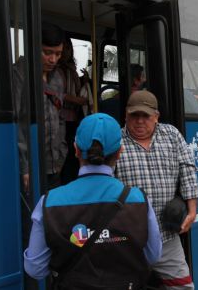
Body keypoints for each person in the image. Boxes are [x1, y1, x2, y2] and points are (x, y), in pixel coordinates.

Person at [24, 113, 162, 288]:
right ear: (120, 152)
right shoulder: (139, 200)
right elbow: (153, 256)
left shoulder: (49, 202)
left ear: (75, 149)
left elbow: (35, 269)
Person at [116, 90, 198, 289]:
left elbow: (187, 169)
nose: (139, 121)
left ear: (156, 117)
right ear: (126, 115)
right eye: (134, 115)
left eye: (145, 116)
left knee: (182, 287)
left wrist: (192, 210)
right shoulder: (115, 141)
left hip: (166, 237)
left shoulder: (171, 134)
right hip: (128, 240)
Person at [14, 22, 68, 191]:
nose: (53, 59)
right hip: (30, 167)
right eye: (47, 53)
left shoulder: (58, 77)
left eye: (58, 54)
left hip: (54, 165)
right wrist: (25, 167)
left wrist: (61, 155)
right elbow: (16, 122)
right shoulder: (19, 73)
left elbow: (60, 119)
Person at [57, 37, 88, 185]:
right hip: (60, 118)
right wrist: (76, 100)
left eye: (69, 48)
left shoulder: (72, 70)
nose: (66, 52)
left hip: (74, 118)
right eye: (64, 49)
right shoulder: (55, 70)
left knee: (73, 153)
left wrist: (84, 81)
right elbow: (56, 93)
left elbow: (75, 89)